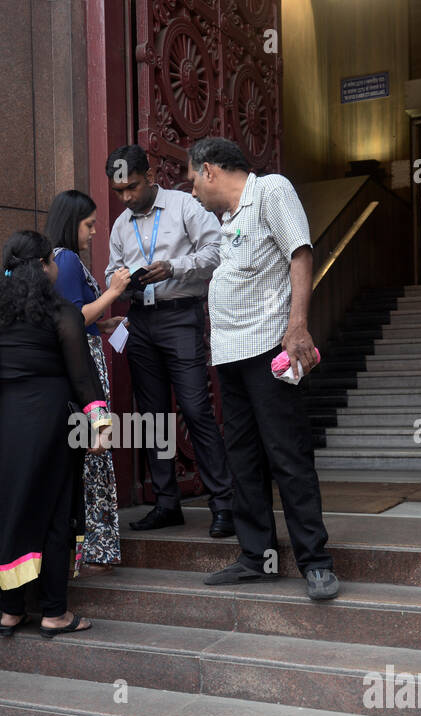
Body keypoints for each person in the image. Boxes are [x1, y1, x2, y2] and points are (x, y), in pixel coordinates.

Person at [185, 137, 340, 602]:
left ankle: (315, 562)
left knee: (287, 455)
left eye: (193, 180)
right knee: (244, 459)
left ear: (210, 170)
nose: (193, 192)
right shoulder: (227, 220)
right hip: (229, 356)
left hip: (267, 351)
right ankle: (257, 557)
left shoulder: (270, 190)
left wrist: (298, 327)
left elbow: (300, 252)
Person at [0, 231, 112, 639]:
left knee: (12, 510)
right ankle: (53, 612)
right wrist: (100, 424)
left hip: (2, 425)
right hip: (52, 424)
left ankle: (11, 610)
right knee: (54, 514)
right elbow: (82, 377)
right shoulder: (62, 313)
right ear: (43, 266)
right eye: (53, 262)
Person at [104, 144, 235, 538]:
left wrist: (173, 267)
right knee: (152, 416)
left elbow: (217, 251)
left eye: (132, 187)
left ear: (152, 175)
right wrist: (122, 281)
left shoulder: (184, 206)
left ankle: (224, 504)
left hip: (181, 317)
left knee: (195, 408)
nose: (126, 197)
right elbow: (112, 268)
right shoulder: (121, 225)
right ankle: (165, 504)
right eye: (119, 191)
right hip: (140, 321)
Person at [46, 189, 128, 574]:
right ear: (70, 223)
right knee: (96, 445)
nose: (95, 232)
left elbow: (81, 318)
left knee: (94, 446)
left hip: (88, 354)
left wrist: (103, 321)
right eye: (89, 225)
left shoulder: (62, 261)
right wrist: (113, 292)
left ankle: (93, 545)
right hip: (84, 365)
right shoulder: (66, 262)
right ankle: (95, 547)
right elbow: (73, 320)